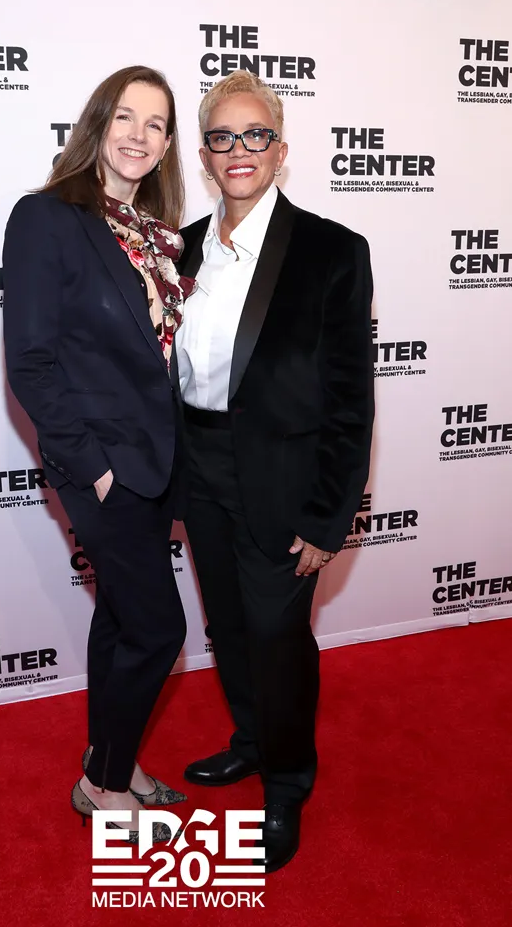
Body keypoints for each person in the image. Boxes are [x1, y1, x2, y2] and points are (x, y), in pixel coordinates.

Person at [176, 71, 375, 872]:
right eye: (221, 137)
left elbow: (350, 400)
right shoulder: (179, 248)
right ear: (204, 155)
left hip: (284, 482)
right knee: (227, 626)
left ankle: (287, 782)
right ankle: (251, 742)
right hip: (197, 465)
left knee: (276, 636)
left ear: (280, 150)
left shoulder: (332, 251)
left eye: (254, 135)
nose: (239, 150)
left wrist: (329, 516)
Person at [2, 66, 194, 843]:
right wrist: (95, 468)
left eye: (155, 123)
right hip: (102, 467)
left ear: (167, 143)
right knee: (158, 630)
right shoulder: (48, 217)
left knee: (119, 619)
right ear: (96, 124)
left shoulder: (153, 233)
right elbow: (31, 364)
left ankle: (111, 757)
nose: (138, 135)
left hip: (157, 462)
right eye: (124, 116)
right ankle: (103, 786)